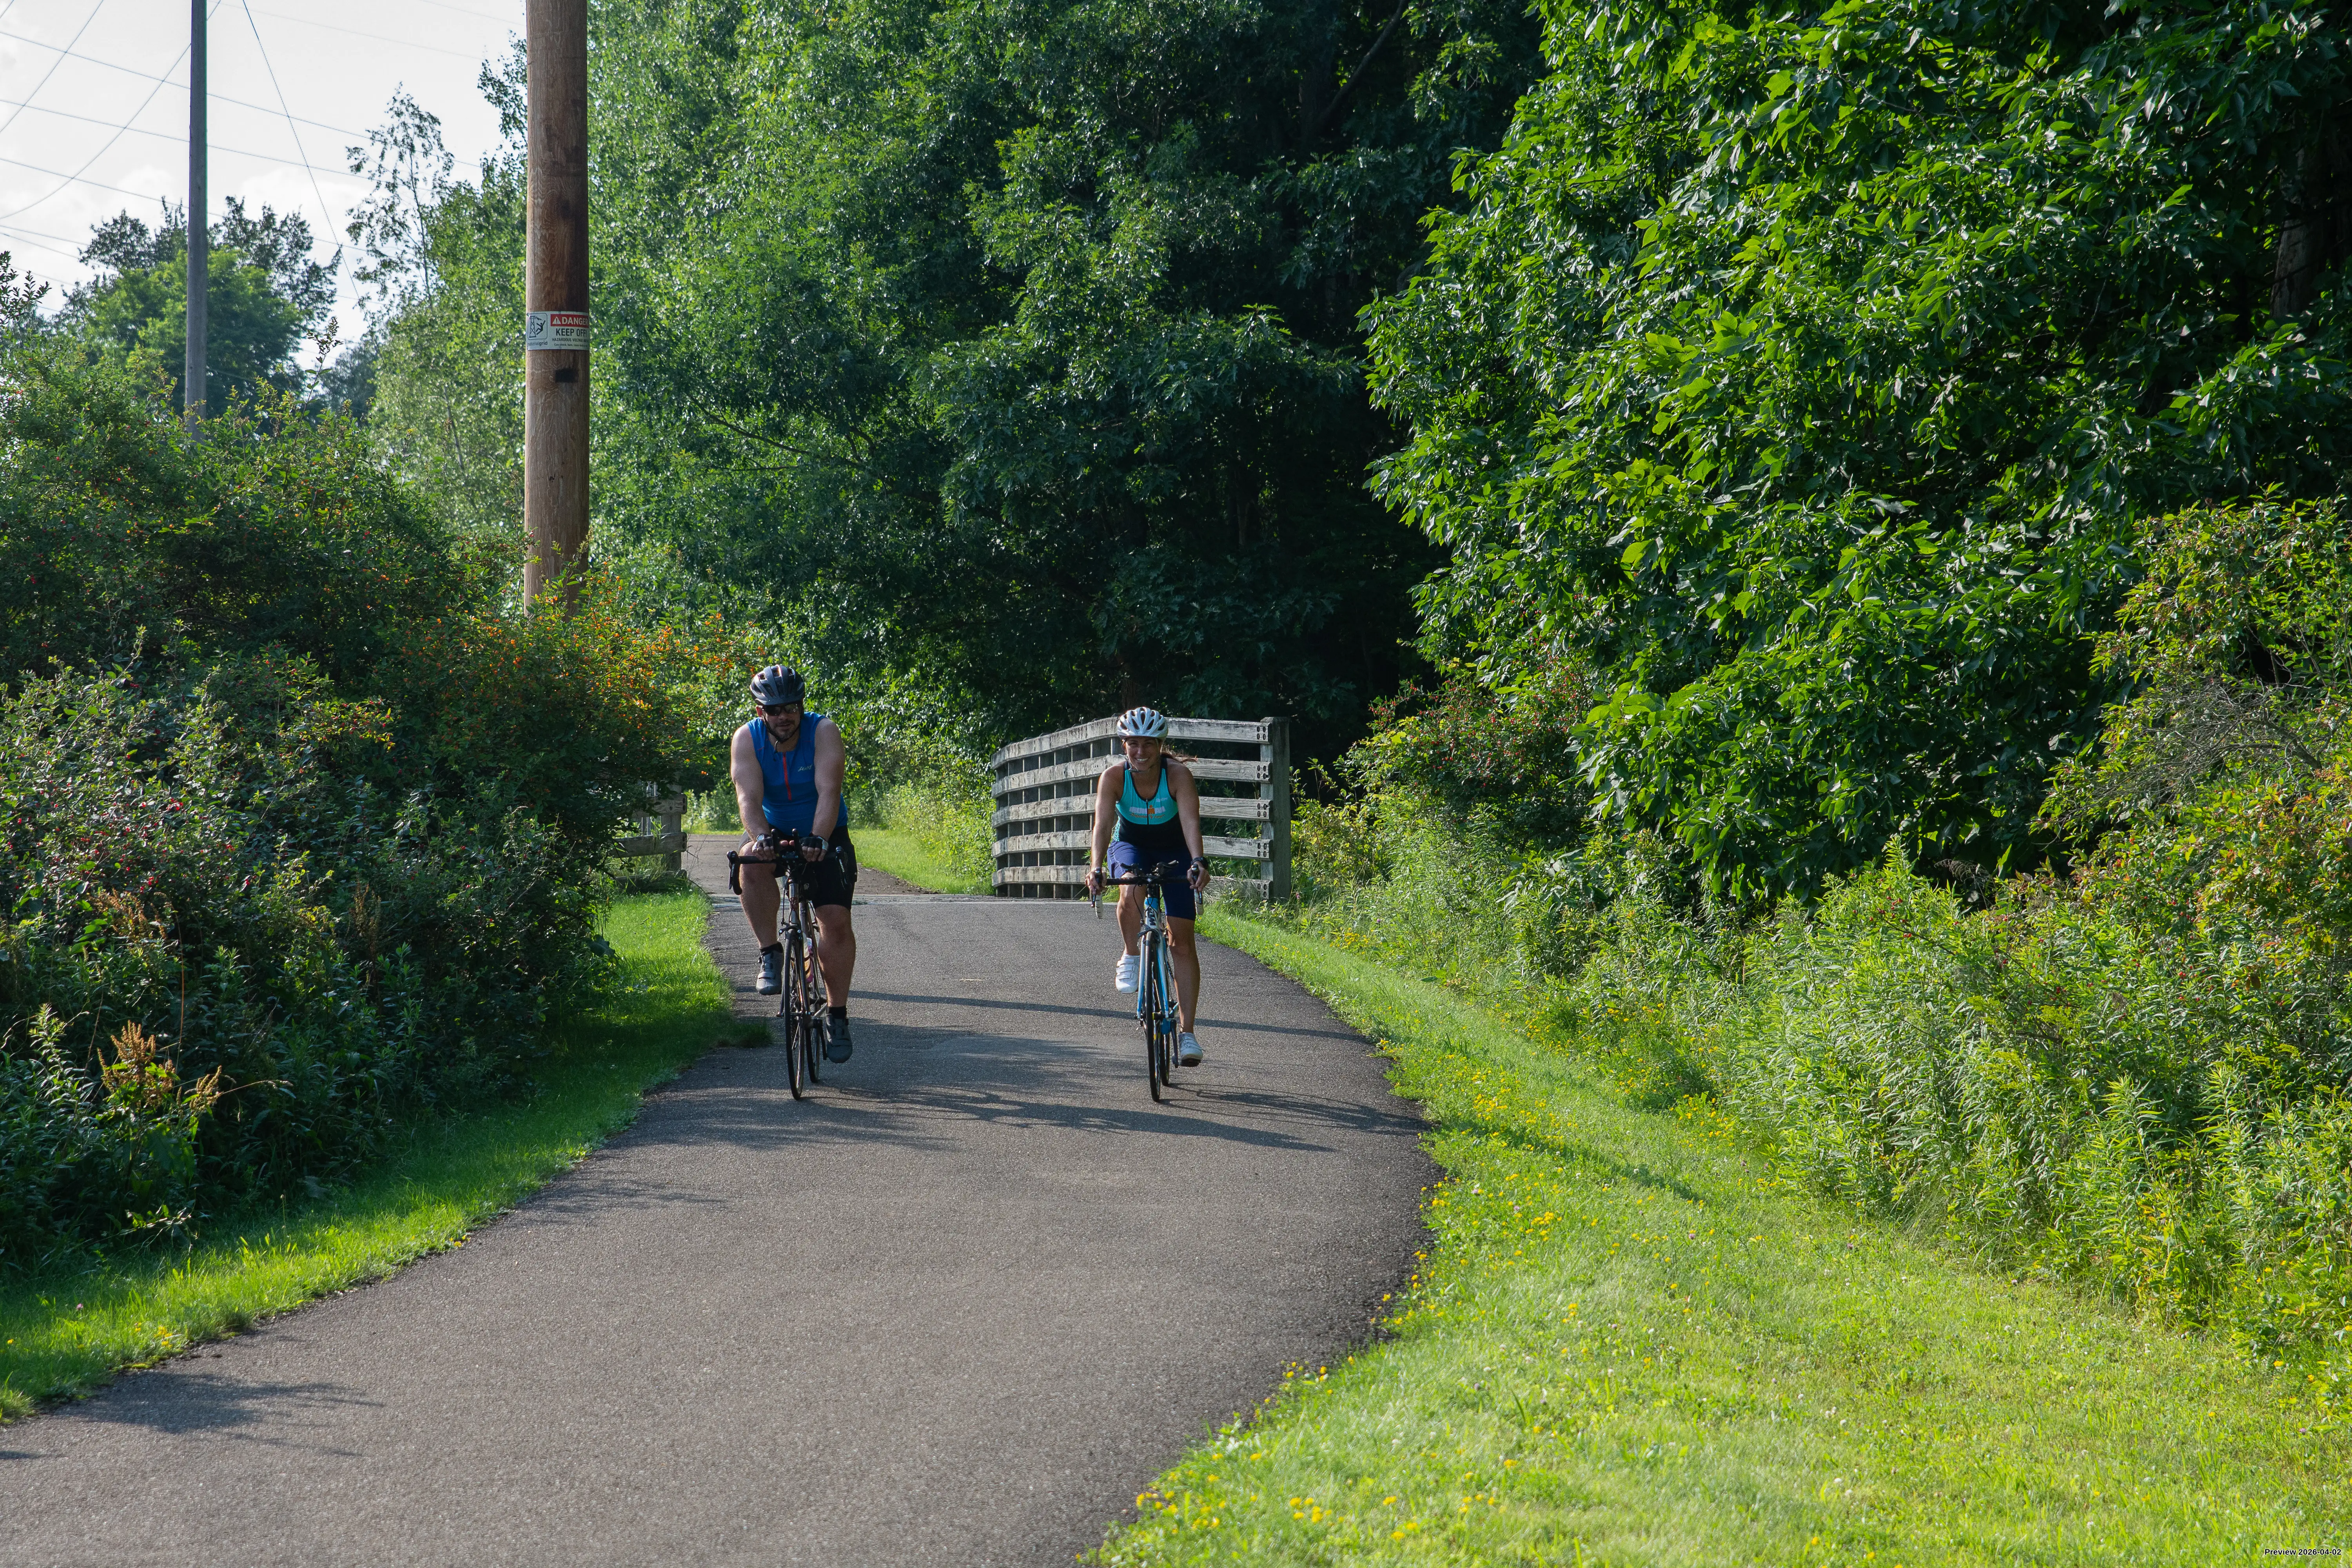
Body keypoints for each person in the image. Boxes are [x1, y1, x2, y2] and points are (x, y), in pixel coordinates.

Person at [731, 665, 860, 1060]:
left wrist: (819, 838)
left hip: (823, 832)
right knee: (749, 862)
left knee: (835, 922)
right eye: (774, 709)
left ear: (802, 707)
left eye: (791, 707)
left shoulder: (823, 732)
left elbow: (829, 791)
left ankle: (837, 1015)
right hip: (771, 830)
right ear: (760, 713)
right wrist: (761, 838)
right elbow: (748, 799)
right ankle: (770, 951)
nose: (783, 716)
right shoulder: (746, 740)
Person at [1082, 706, 1209, 1067]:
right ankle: (1132, 954)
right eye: (1133, 744)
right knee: (1130, 889)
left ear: (1160, 745)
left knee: (1182, 943)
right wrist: (1095, 868)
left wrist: (1198, 861)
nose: (1141, 752)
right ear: (1124, 745)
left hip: (1175, 849)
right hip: (1131, 846)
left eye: (1148, 745)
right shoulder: (1114, 777)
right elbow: (1103, 828)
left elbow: (1190, 822)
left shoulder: (1178, 776)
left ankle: (1187, 1034)